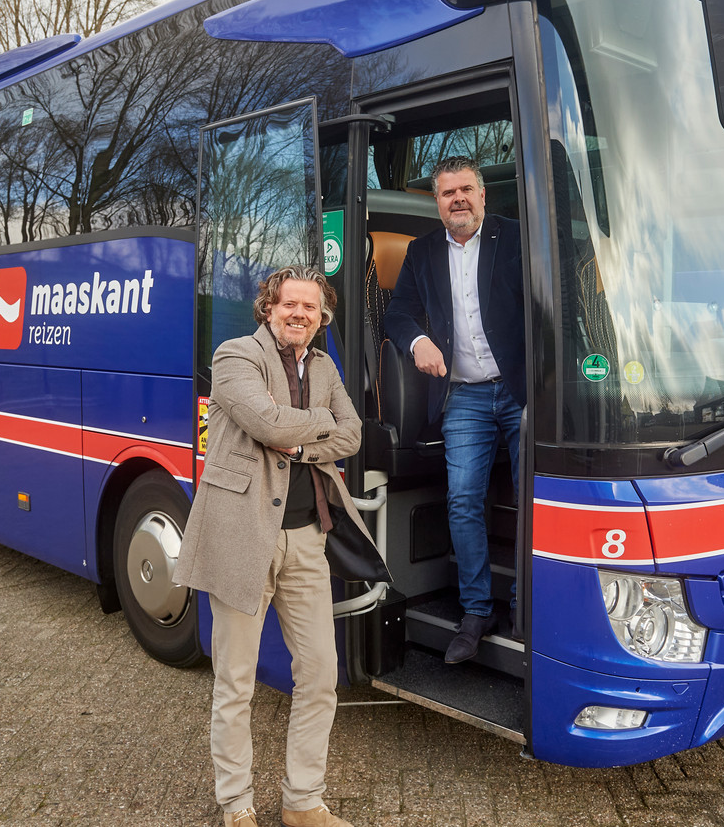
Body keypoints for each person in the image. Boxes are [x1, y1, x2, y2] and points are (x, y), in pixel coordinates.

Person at [172, 265, 374, 827]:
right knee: (235, 680)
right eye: (290, 305)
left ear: (321, 317)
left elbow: (352, 434)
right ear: (269, 307)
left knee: (319, 674)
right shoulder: (235, 355)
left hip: (309, 541)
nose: (299, 315)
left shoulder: (325, 364)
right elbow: (267, 424)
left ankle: (302, 801)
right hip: (243, 537)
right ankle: (237, 805)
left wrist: (301, 440)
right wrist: (317, 427)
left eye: (310, 309)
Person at [384, 155, 527, 663]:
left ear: (483, 196)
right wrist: (418, 339)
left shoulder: (515, 238)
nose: (458, 199)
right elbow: (396, 314)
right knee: (463, 500)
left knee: (536, 495)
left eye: (467, 190)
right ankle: (476, 611)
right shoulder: (421, 253)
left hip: (520, 391)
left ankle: (524, 607)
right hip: (461, 394)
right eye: (448, 193)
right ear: (438, 203)